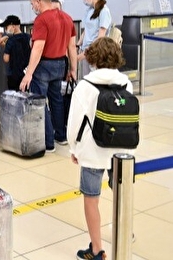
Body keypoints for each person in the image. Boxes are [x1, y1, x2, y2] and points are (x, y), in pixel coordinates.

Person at [67, 37, 134, 260]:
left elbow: (74, 122)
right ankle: (125, 232)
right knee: (121, 194)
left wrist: (73, 149)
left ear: (94, 57)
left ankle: (97, 249)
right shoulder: (126, 83)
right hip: (122, 152)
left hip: (92, 151)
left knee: (91, 198)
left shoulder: (85, 86)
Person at [20, 0, 77, 152]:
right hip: (60, 64)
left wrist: (29, 74)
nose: (33, 8)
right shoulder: (67, 18)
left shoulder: (41, 20)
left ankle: (48, 142)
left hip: (44, 66)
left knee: (39, 102)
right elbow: (72, 46)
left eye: (32, 4)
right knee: (56, 99)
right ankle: (61, 135)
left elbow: (38, 48)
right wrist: (73, 69)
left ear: (39, 1)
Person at [77, 0, 112, 79]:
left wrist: (86, 53)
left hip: (95, 52)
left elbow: (100, 37)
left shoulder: (104, 11)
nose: (83, 0)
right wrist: (78, 44)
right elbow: (86, 29)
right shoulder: (90, 10)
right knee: (86, 79)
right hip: (86, 50)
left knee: (95, 80)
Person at [0, 15, 31, 91]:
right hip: (26, 72)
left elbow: (6, 59)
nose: (6, 29)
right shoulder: (29, 37)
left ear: (13, 26)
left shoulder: (10, 40)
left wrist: (5, 48)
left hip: (13, 74)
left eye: (7, 27)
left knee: (14, 97)